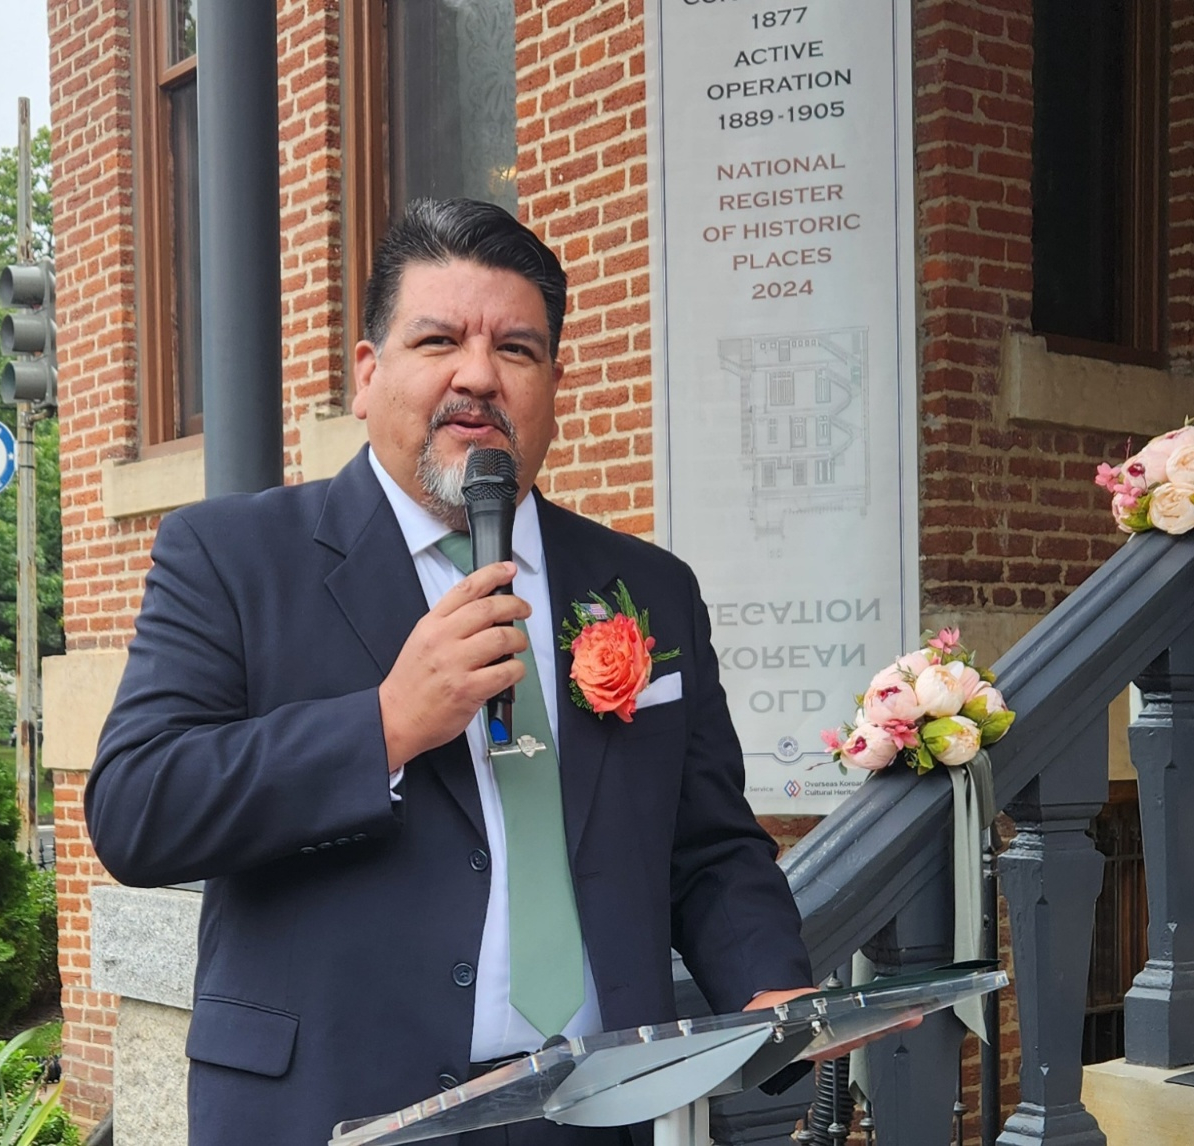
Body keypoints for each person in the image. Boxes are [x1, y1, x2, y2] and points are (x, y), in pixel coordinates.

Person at [87, 199, 817, 1146]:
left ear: (554, 382)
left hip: (594, 1113)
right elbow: (137, 808)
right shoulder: (231, 557)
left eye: (516, 350)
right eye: (438, 340)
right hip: (335, 1110)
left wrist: (773, 980)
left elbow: (708, 846)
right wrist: (385, 724)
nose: (478, 376)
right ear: (366, 373)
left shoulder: (649, 590)